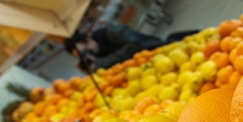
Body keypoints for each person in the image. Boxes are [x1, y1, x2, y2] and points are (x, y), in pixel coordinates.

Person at [63, 24, 196, 73]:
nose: (88, 54)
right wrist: (90, 70)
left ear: (88, 39)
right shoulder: (99, 55)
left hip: (161, 52)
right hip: (148, 71)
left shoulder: (112, 32)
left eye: (85, 51)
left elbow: (134, 46)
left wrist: (101, 63)